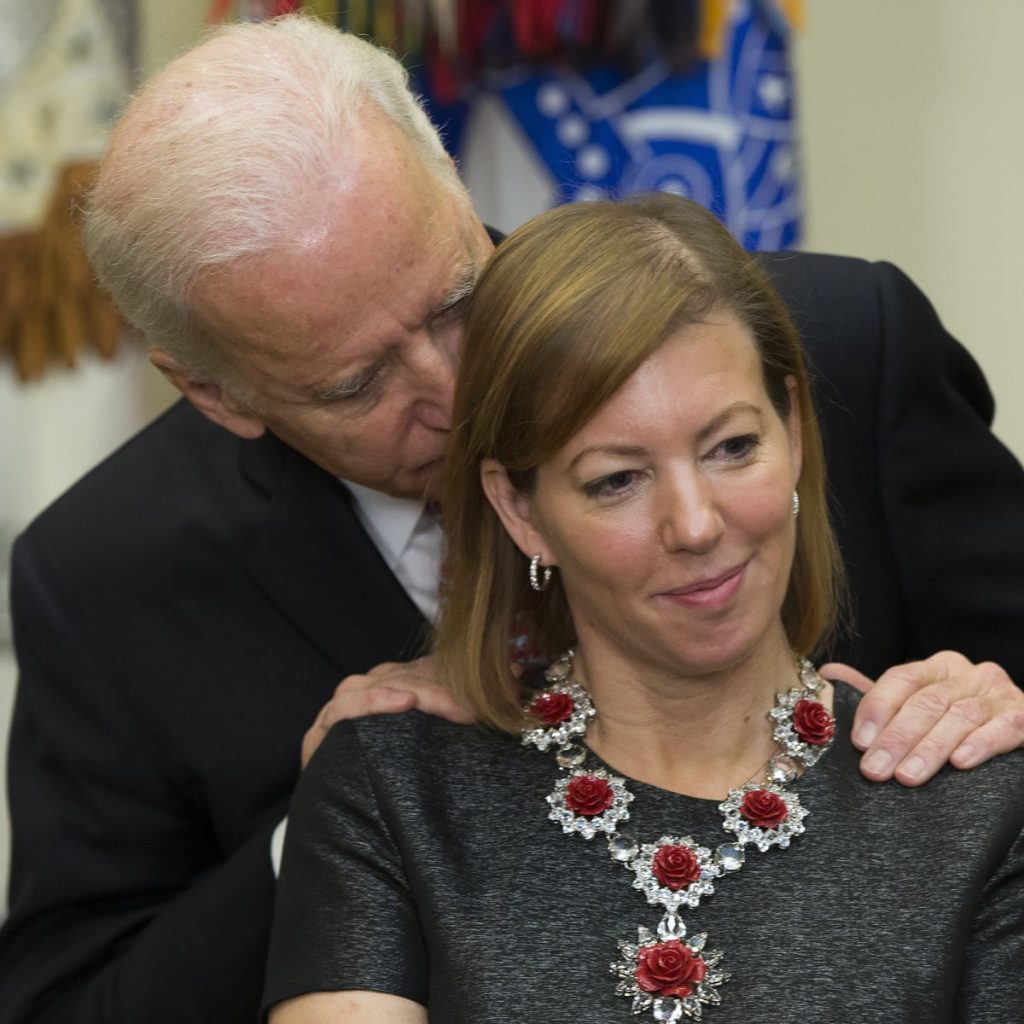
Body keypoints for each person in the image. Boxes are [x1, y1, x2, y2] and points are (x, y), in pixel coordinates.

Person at [2, 16, 1024, 1024]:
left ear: (451, 176)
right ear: (218, 394)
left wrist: (998, 711)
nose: (453, 388)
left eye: (453, 300)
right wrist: (313, 836)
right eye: (357, 383)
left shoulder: (838, 348)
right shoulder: (106, 576)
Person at [263, 194, 1024, 1023]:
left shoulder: (974, 801)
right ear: (520, 512)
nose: (696, 525)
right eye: (617, 479)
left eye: (734, 447)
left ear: (795, 431)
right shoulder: (392, 790)